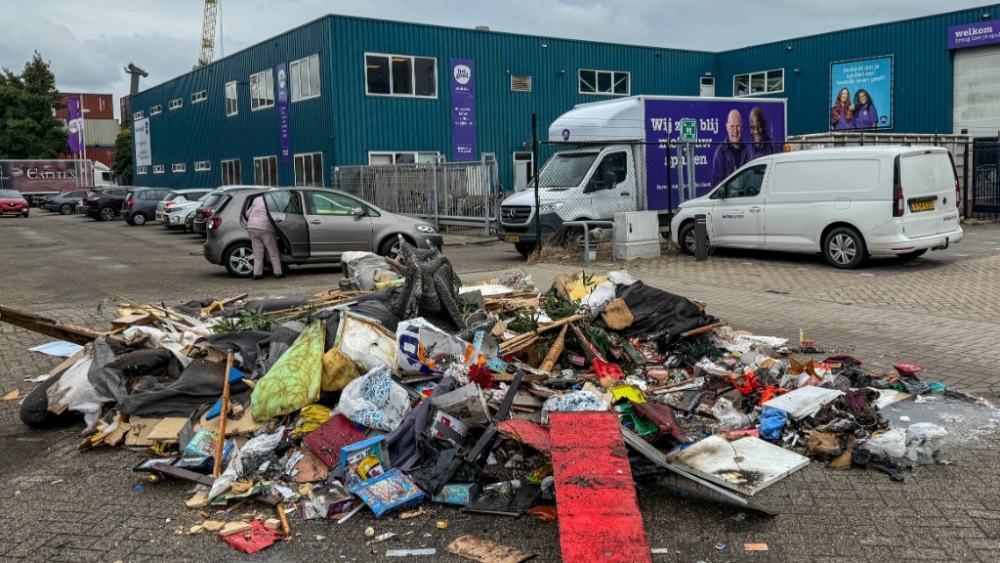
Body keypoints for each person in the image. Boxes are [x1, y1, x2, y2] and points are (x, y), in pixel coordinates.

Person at [246, 195, 284, 280]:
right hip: (265, 227)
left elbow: (247, 214)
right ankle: (278, 272)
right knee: (273, 251)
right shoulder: (273, 199)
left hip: (252, 227)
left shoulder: (256, 198)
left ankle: (257, 274)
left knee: (258, 252)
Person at [711, 109, 749, 187]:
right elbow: (716, 183)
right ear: (727, 127)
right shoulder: (721, 152)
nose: (735, 130)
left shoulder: (748, 150)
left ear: (742, 128)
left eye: (738, 126)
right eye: (732, 126)